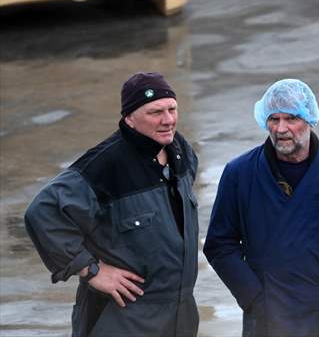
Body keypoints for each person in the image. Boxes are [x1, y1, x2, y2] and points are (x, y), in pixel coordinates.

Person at [203, 79, 319, 337]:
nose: (281, 128)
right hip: (268, 318)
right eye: (273, 119)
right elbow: (219, 244)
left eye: (291, 118)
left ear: (309, 119)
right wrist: (253, 296)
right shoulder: (240, 174)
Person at [24, 72, 200, 337]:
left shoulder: (180, 150)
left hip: (180, 313)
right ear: (129, 118)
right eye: (155, 112)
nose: (168, 120)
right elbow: (43, 212)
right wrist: (90, 269)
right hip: (124, 317)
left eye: (172, 109)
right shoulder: (105, 166)